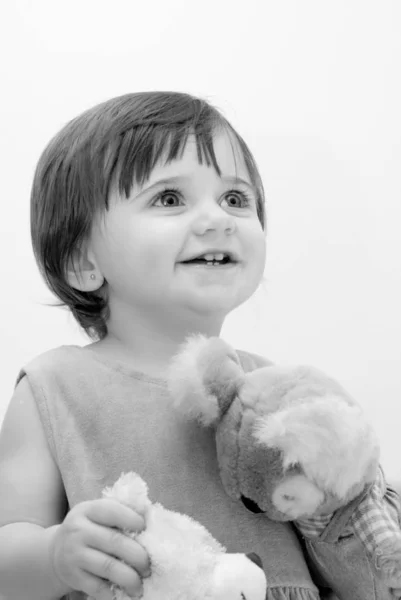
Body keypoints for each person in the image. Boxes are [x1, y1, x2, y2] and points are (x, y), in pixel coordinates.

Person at [0, 91, 399, 600]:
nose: (218, 219)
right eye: (169, 198)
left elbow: (344, 551)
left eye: (236, 199)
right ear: (83, 261)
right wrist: (55, 557)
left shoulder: (275, 392)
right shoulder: (53, 390)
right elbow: (7, 554)